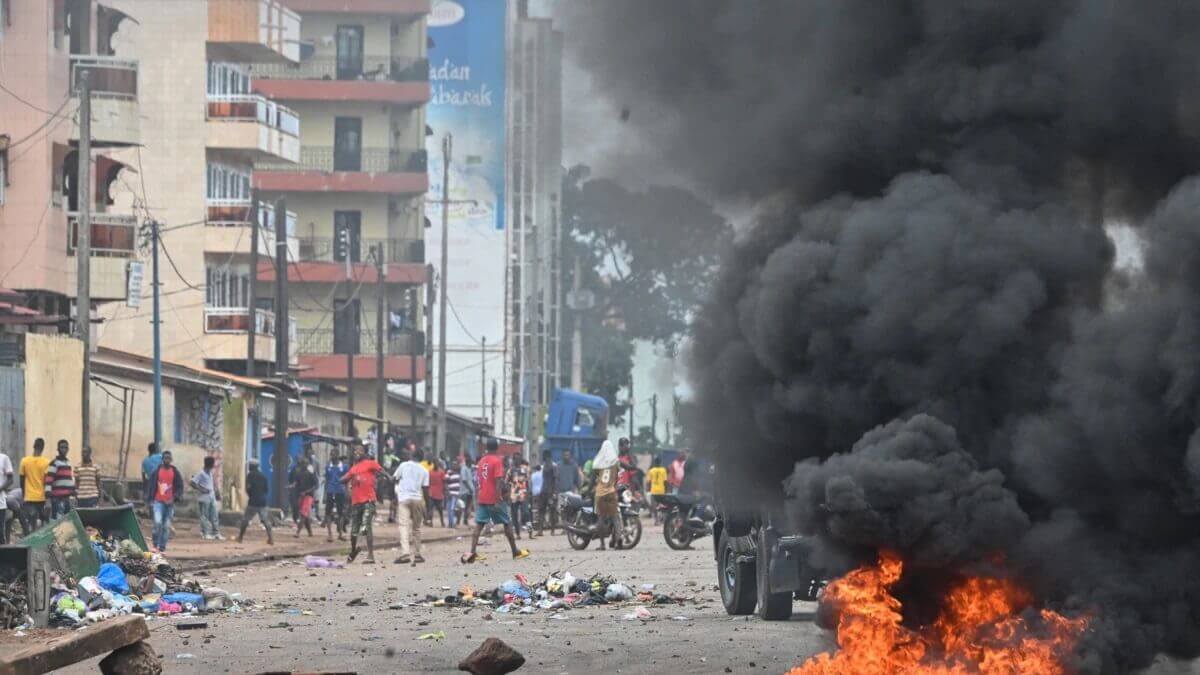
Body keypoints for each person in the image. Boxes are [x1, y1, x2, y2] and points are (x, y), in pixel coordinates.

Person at [462, 439, 530, 564]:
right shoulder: (497, 461)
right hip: (494, 498)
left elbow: (480, 480)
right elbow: (498, 480)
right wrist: (498, 497)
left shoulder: (482, 461)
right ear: (497, 447)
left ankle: (472, 552)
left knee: (479, 525)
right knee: (507, 523)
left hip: (482, 497)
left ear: (486, 448)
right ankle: (515, 551)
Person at [342, 443, 383, 564]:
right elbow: (345, 478)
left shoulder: (370, 463)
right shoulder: (353, 468)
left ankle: (371, 555)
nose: (357, 453)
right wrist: (341, 481)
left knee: (366, 527)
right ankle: (353, 551)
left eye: (359, 451)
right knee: (354, 531)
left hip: (368, 501)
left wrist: (389, 477)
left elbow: (381, 471)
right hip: (356, 502)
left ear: (364, 452)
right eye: (355, 451)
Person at [392, 448, 429, 564]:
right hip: (418, 499)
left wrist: (396, 492)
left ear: (412, 456)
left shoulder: (403, 465)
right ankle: (417, 554)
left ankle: (405, 553)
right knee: (417, 528)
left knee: (404, 526)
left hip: (404, 498)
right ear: (422, 458)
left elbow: (394, 478)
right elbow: (426, 489)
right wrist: (426, 506)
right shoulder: (424, 470)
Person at [150, 450, 184, 552]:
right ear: (162, 459)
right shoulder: (157, 471)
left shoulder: (175, 472)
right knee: (158, 522)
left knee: (166, 526)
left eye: (169, 458)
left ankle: (162, 547)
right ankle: (155, 544)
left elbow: (180, 487)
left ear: (171, 459)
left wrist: (174, 498)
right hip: (158, 502)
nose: (167, 460)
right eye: (165, 458)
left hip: (170, 503)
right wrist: (149, 500)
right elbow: (151, 486)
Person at [592, 440, 623, 551]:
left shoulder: (599, 462)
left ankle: (602, 545)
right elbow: (619, 474)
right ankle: (619, 540)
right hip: (611, 492)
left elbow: (594, 475)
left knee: (600, 518)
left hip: (600, 493)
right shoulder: (615, 462)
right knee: (615, 517)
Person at [236, 460, 274, 545]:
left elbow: (248, 488)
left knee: (246, 520)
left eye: (250, 466)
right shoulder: (263, 476)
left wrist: (251, 495)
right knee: (265, 520)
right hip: (262, 501)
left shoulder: (250, 475)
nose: (249, 467)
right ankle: (271, 539)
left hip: (253, 501)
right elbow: (266, 490)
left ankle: (240, 538)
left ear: (252, 467)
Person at [18, 438, 49, 530]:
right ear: (43, 448)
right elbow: (47, 481)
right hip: (42, 497)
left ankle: (31, 541)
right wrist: (48, 499)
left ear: (33, 446)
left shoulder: (24, 461)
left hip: (29, 497)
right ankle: (42, 542)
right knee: (44, 523)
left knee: (32, 523)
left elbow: (21, 480)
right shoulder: (46, 462)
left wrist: (23, 495)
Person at [188, 456, 221, 540]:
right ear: (210, 464)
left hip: (211, 497)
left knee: (214, 515)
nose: (214, 465)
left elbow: (212, 484)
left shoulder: (210, 473)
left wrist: (216, 492)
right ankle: (205, 533)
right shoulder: (201, 473)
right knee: (204, 516)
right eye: (213, 463)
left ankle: (216, 533)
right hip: (203, 498)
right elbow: (192, 482)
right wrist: (201, 489)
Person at [44, 439, 74, 519]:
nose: (63, 449)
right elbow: (48, 481)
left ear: (68, 449)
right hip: (57, 499)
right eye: (61, 447)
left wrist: (73, 490)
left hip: (66, 498)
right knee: (57, 521)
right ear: (58, 449)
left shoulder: (68, 463)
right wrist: (48, 499)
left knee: (67, 521)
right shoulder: (54, 463)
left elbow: (69, 480)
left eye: (65, 448)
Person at [324, 451, 349, 542]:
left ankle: (340, 533)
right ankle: (330, 534)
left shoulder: (344, 467)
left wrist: (347, 491)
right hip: (330, 491)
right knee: (328, 512)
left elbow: (346, 480)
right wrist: (325, 494)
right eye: (331, 454)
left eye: (333, 454)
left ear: (337, 456)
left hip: (340, 491)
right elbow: (327, 480)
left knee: (341, 513)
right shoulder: (328, 467)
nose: (332, 456)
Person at [535, 450, 560, 536]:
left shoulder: (554, 466)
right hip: (543, 492)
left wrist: (555, 493)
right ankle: (541, 530)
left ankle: (551, 530)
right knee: (542, 510)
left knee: (552, 511)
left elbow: (556, 480)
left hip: (550, 492)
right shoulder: (544, 466)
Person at [293, 458, 318, 538]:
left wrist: (307, 492)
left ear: (307, 464)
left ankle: (298, 532)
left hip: (308, 496)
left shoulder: (311, 473)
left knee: (303, 514)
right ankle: (310, 532)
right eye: (302, 463)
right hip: (301, 495)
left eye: (304, 463)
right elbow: (296, 483)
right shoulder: (299, 473)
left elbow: (315, 485)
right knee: (305, 514)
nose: (303, 465)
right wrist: (292, 486)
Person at [507, 457, 530, 539]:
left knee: (525, 512)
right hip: (514, 494)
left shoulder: (524, 469)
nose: (517, 460)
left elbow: (527, 481)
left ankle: (530, 530)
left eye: (518, 458)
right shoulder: (510, 470)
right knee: (514, 515)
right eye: (515, 458)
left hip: (523, 493)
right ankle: (517, 533)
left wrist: (528, 492)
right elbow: (506, 481)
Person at [646, 456, 669, 524]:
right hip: (661, 491)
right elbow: (665, 481)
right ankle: (662, 518)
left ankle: (656, 520)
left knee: (654, 506)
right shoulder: (663, 470)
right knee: (663, 506)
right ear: (660, 462)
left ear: (654, 463)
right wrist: (666, 490)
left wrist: (648, 489)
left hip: (654, 491)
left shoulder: (651, 470)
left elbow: (649, 482)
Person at [427, 459, 446, 528]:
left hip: (431, 492)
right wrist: (445, 491)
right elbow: (444, 482)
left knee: (431, 509)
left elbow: (428, 482)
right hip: (439, 493)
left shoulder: (430, 472)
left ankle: (430, 523)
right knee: (440, 509)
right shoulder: (441, 472)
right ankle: (442, 522)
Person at [444, 459, 462, 529]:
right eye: (453, 464)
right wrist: (448, 491)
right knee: (450, 509)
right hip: (451, 493)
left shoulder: (458, 473)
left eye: (455, 464)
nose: (454, 466)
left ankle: (451, 523)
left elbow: (459, 484)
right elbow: (445, 483)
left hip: (455, 494)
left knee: (452, 509)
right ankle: (451, 524)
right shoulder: (449, 472)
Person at [0, 451, 12, 544]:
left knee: (0, 534)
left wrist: (0, 488)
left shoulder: (4, 458)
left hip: (0, 504)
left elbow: (10, 480)